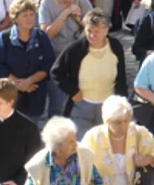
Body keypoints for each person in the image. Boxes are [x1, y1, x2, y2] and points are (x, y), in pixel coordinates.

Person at [51, 9, 128, 139]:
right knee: (82, 146)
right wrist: (73, 91)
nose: (92, 35)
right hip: (81, 106)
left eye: (96, 32)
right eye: (89, 31)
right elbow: (56, 72)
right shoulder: (75, 49)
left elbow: (122, 77)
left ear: (106, 31)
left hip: (108, 106)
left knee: (105, 145)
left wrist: (123, 103)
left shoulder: (115, 47)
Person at [0, 0, 55, 124]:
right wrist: (18, 85)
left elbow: (48, 65)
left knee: (29, 136)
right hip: (7, 98)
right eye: (25, 15)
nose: (29, 19)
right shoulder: (4, 38)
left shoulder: (41, 37)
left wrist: (29, 81)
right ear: (15, 18)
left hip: (35, 96)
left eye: (31, 14)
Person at [39, 0, 94, 117]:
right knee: (56, 101)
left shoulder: (82, 1)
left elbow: (95, 30)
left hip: (79, 57)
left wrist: (81, 19)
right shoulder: (47, 3)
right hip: (55, 57)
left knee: (79, 99)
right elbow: (46, 34)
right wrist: (65, 13)